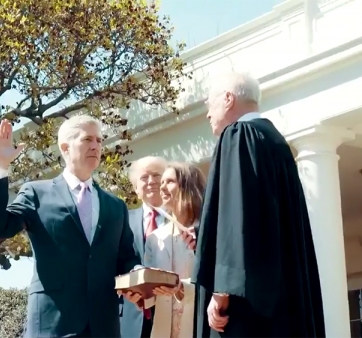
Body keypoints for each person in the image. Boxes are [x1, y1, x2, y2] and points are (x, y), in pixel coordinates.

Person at [191, 72, 326, 337]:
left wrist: (222, 289)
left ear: (228, 99)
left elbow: (237, 216)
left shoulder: (238, 135)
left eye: (210, 104)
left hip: (247, 304)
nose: (207, 114)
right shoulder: (276, 143)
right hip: (282, 299)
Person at [0, 116, 142, 338]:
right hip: (53, 324)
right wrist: (0, 166)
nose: (96, 146)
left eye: (99, 140)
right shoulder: (36, 193)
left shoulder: (116, 206)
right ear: (65, 147)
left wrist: (138, 278)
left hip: (103, 326)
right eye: (87, 139)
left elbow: (127, 258)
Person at [143, 162, 206, 338]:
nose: (161, 187)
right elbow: (150, 292)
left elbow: (215, 282)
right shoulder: (155, 238)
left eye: (169, 181)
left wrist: (182, 288)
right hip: (164, 329)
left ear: (188, 186)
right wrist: (138, 293)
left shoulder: (207, 231)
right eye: (161, 182)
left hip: (200, 325)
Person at [120, 156, 168, 338]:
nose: (151, 182)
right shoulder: (122, 220)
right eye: (144, 177)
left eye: (157, 175)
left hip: (175, 313)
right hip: (134, 318)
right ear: (135, 188)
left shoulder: (182, 219)